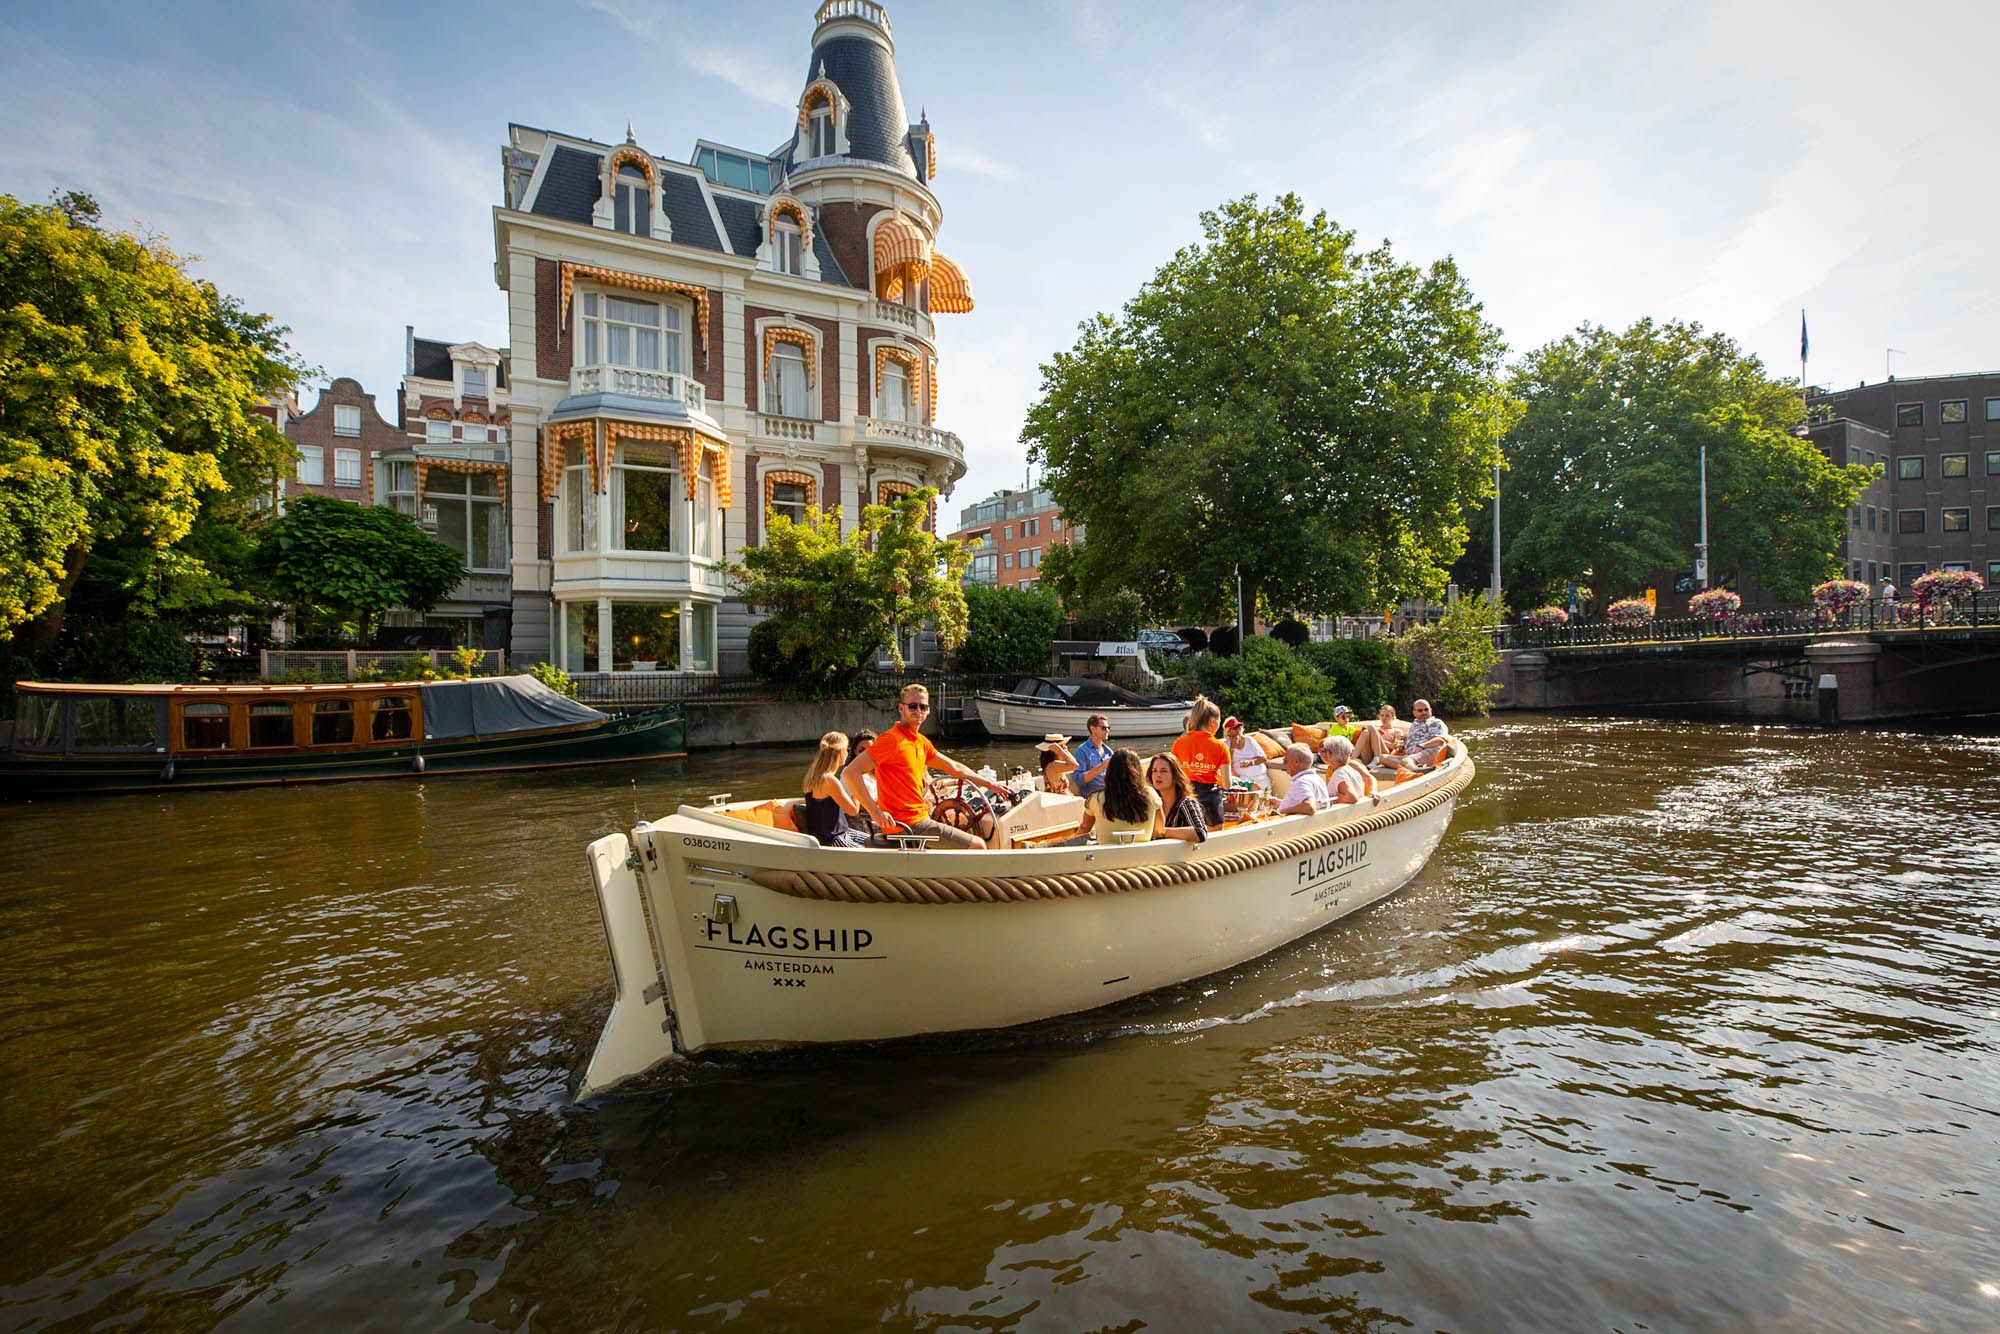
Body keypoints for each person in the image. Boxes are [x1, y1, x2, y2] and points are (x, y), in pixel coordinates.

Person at [846, 684, 1012, 849]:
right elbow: (850, 773)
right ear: (901, 708)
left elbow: (955, 767)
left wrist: (990, 785)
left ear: (928, 710)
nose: (918, 711)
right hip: (906, 825)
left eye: (923, 706)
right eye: (912, 706)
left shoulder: (921, 742)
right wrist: (875, 812)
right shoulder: (890, 740)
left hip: (919, 819)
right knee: (978, 845)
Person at [1071, 748, 1162, 844]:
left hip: (1106, 856)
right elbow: (1159, 830)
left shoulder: (1096, 798)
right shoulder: (1151, 794)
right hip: (1144, 855)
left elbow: (1084, 828)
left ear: (1109, 772)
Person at [799, 731, 869, 847]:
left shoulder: (813, 776)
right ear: (841, 752)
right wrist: (857, 783)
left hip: (842, 832)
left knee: (877, 841)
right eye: (847, 749)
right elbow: (853, 811)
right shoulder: (829, 780)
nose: (847, 753)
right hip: (832, 838)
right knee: (871, 853)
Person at [1171, 695, 1232, 824]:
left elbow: (1174, 776)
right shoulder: (1220, 747)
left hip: (1185, 798)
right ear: (1212, 722)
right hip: (1210, 801)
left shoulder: (1179, 743)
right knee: (1216, 829)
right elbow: (1227, 785)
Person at [1372, 699, 1449, 774]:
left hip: (1427, 750)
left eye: (1426, 709)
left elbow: (1440, 740)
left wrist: (1422, 746)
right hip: (1409, 755)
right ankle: (1414, 767)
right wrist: (1403, 740)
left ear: (1431, 710)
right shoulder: (1414, 724)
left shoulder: (1436, 722)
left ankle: (1417, 771)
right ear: (1414, 712)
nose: (1424, 712)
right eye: (1420, 710)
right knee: (1382, 758)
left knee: (1406, 761)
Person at [1148, 751, 1208, 843]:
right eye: (1154, 771)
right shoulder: (1151, 803)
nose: (1158, 775)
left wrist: (1162, 831)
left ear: (1175, 776)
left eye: (1163, 771)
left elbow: (1200, 833)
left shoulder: (1186, 803)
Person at [1274, 743, 1330, 814]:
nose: (1283, 764)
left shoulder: (1302, 782)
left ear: (1296, 762)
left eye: (1285, 761)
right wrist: (1280, 803)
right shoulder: (1316, 778)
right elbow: (1315, 803)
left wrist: (1281, 811)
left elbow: (1309, 807)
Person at [1319, 734, 1375, 805]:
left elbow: (1351, 797)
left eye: (1324, 751)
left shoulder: (1346, 769)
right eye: (1321, 751)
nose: (1322, 755)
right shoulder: (1333, 768)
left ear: (1329, 754)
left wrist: (1329, 801)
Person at [1071, 713, 1113, 798]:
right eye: (1104, 728)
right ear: (1093, 729)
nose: (1107, 730)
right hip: (1093, 797)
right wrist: (1101, 767)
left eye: (1108, 728)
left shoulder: (1109, 752)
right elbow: (1079, 779)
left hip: (1109, 794)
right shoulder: (1082, 751)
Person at [1223, 716, 1270, 791]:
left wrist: (1251, 762)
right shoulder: (1226, 744)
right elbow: (1226, 765)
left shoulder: (1249, 740)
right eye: (1234, 728)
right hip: (1243, 780)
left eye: (1239, 727)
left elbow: (1264, 758)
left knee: (1266, 798)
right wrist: (1232, 749)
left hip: (1261, 777)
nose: (1238, 729)